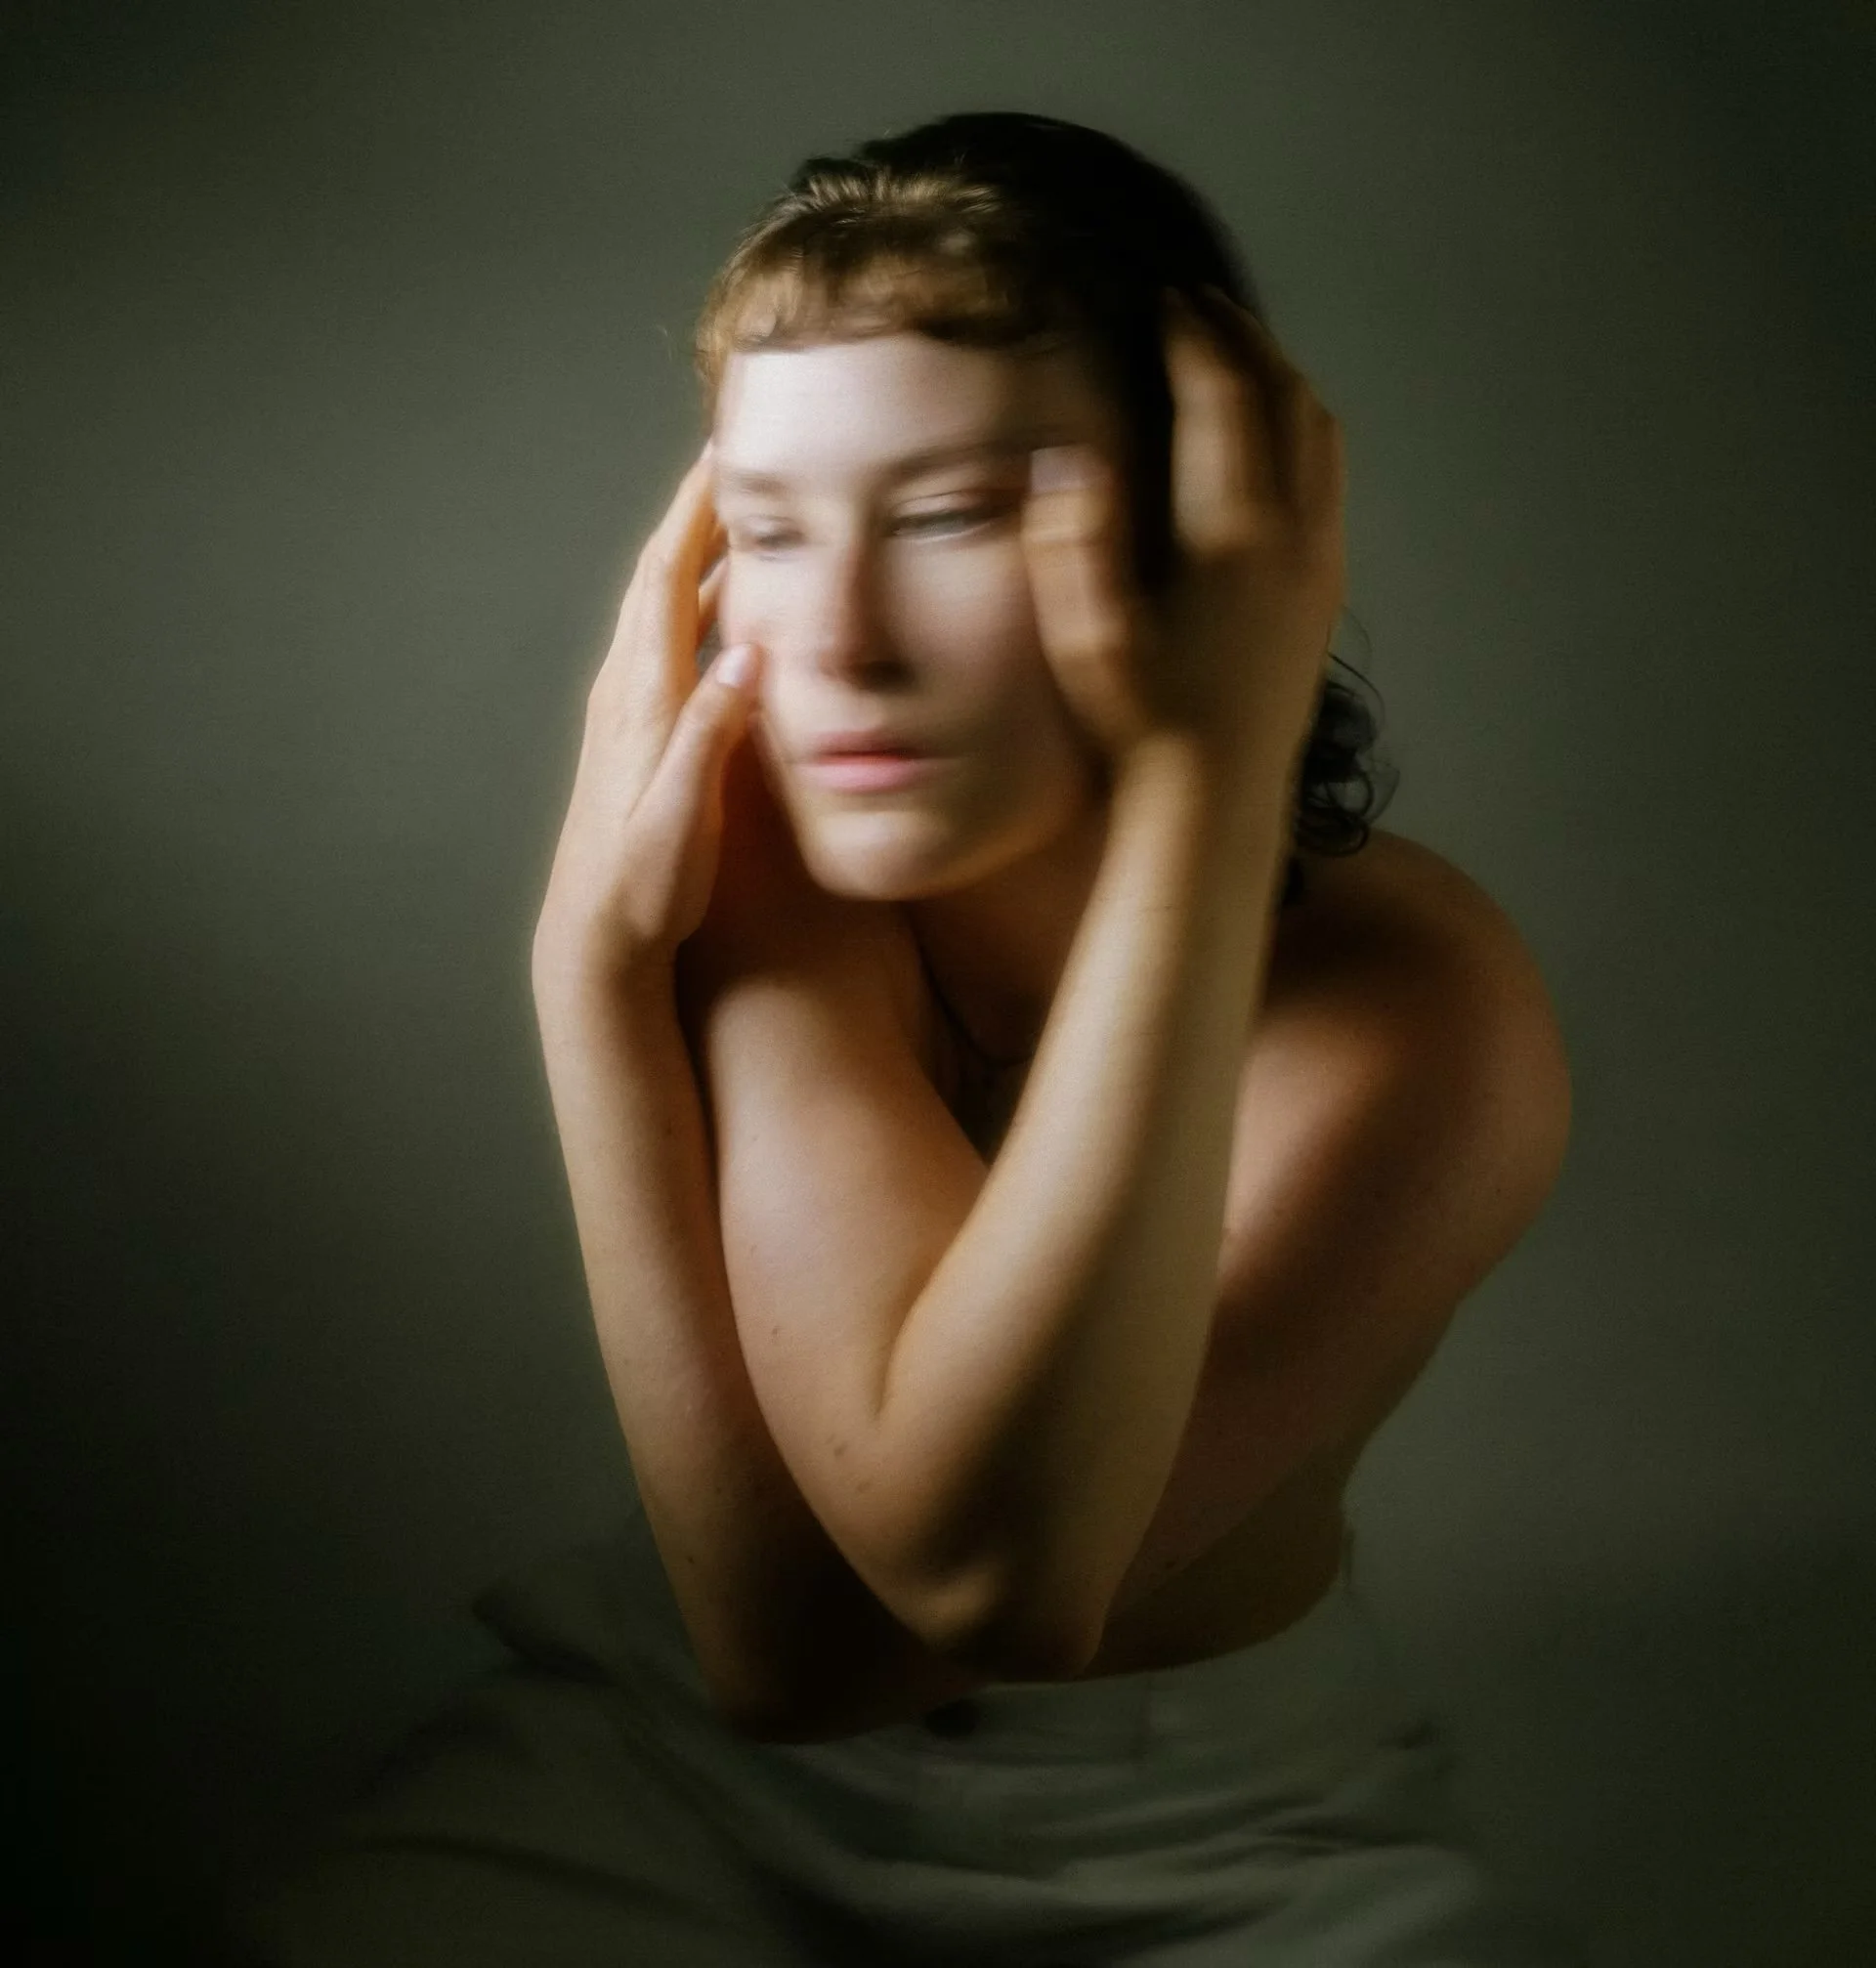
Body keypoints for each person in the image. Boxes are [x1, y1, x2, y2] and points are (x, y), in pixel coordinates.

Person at [227, 110, 1584, 1965]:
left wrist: (1204, 779)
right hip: (666, 1768)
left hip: (1229, 1829)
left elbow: (978, 1580)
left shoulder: (1417, 1012)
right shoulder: (792, 884)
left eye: (950, 514)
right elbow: (786, 1655)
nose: (840, 638)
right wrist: (592, 981)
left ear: (1212, 544)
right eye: (771, 531)